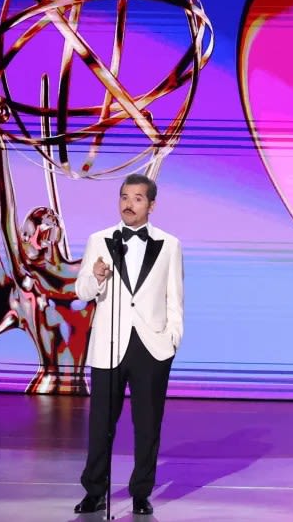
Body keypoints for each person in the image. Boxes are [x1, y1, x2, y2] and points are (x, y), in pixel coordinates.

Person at [73, 173, 184, 516]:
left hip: (152, 346)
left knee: (148, 423)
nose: (128, 203)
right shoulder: (99, 239)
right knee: (101, 423)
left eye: (137, 198)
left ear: (151, 205)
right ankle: (95, 490)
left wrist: (172, 339)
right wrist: (97, 277)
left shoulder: (169, 244)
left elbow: (174, 299)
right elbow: (81, 292)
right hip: (109, 345)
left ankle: (141, 492)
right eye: (124, 196)